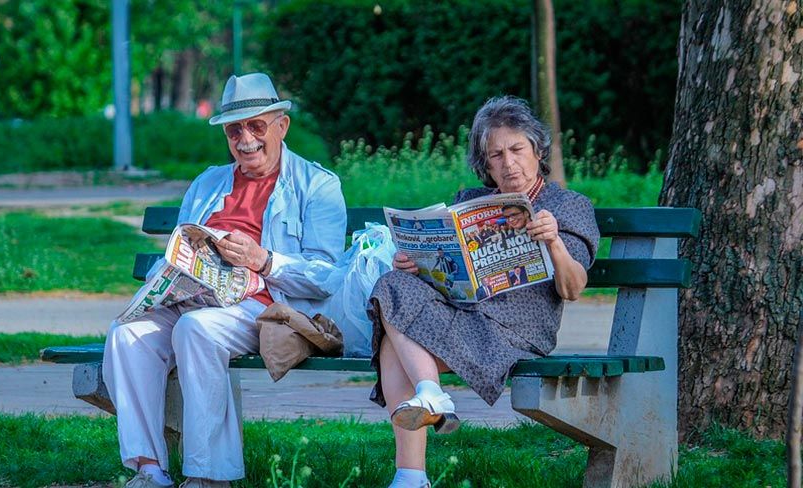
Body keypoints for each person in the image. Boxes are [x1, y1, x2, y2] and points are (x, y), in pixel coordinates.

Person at [102, 73, 347, 488]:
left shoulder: (317, 185)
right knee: (127, 334)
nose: (245, 138)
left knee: (197, 330)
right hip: (193, 298)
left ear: (281, 126)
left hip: (263, 306)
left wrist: (264, 260)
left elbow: (327, 277)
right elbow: (181, 246)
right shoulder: (207, 183)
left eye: (257, 126)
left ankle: (208, 477)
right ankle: (149, 470)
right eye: (235, 129)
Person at [368, 96, 599, 488]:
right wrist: (415, 266)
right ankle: (428, 402)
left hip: (516, 332)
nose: (508, 163)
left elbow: (573, 288)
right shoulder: (469, 201)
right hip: (463, 316)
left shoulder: (566, 205)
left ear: (537, 149)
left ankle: (412, 470)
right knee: (391, 284)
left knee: (393, 344)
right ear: (485, 163)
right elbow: (442, 274)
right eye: (496, 155)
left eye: (516, 149)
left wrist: (554, 242)